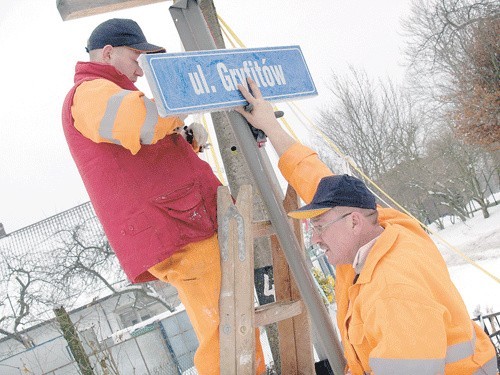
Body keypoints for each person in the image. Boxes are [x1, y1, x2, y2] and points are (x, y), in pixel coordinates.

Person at [235, 78, 497, 374]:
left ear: (354, 222)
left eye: (319, 227)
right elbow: (318, 180)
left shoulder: (392, 291)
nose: (315, 239)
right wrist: (271, 126)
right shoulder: (386, 230)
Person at [62, 18, 265, 375]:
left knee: (232, 323)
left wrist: (182, 137)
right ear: (108, 53)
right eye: (136, 56)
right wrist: (184, 96)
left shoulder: (110, 91)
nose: (141, 69)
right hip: (178, 228)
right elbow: (142, 124)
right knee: (226, 326)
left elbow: (140, 148)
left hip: (186, 223)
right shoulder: (90, 92)